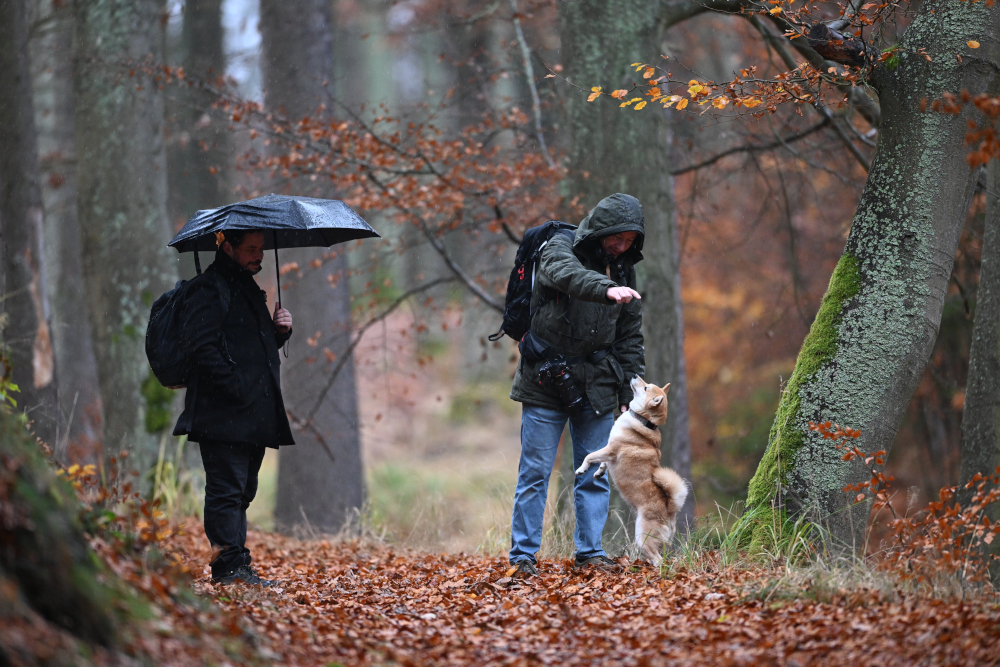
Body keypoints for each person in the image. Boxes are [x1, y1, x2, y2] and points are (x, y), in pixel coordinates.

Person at [508, 192, 646, 576]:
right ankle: (522, 559)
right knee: (534, 472)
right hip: (544, 379)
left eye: (630, 242)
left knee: (595, 473)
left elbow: (630, 337)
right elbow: (563, 274)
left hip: (600, 383)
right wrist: (604, 290)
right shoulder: (559, 246)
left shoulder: (623, 270)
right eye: (617, 238)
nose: (621, 247)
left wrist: (627, 390)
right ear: (601, 229)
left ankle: (591, 554)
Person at [173, 229, 295, 586]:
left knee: (243, 490)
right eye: (251, 249)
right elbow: (203, 349)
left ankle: (238, 566)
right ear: (227, 248)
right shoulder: (208, 289)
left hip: (251, 414)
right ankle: (228, 569)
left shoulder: (246, 288)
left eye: (261, 249)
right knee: (227, 490)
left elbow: (248, 347)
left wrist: (279, 333)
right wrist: (236, 387)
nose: (259, 255)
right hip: (221, 414)